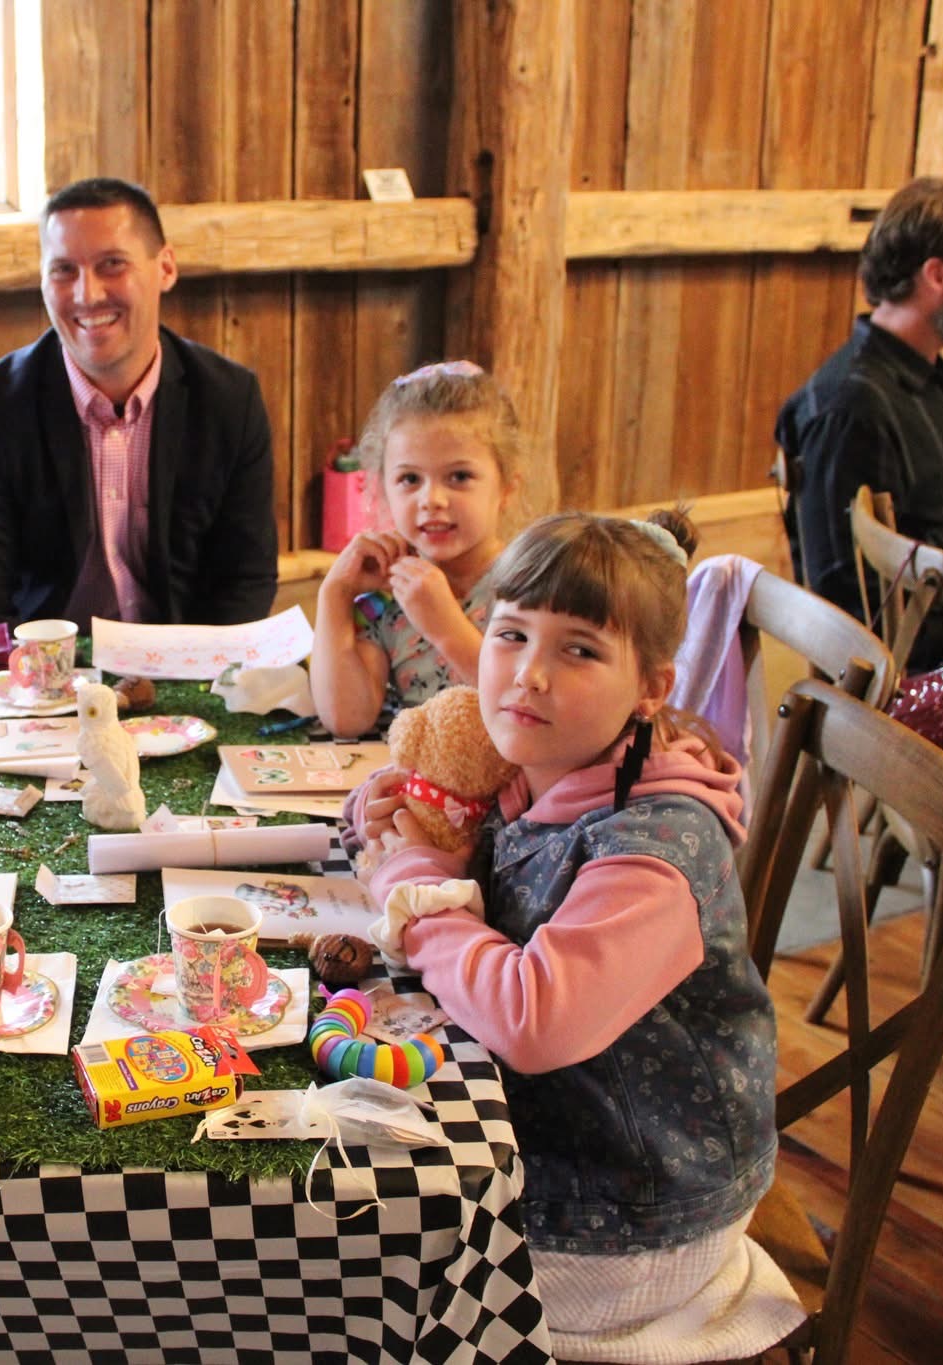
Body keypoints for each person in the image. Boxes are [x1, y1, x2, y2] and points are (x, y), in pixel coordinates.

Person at [346, 511, 804, 1363]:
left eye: (580, 650)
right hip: (558, 1143)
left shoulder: (659, 847)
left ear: (651, 687)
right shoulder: (550, 759)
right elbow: (462, 843)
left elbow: (533, 1018)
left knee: (344, 1261)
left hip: (629, 1215)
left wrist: (417, 889)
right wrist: (388, 817)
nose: (529, 674)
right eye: (511, 633)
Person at [0, 176, 278, 628]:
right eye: (63, 270)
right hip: (40, 666)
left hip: (185, 659)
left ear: (166, 269)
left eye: (112, 264)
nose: (88, 294)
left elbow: (245, 582)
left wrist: (196, 669)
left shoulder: (230, 401)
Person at [775, 177, 943, 671]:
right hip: (906, 680)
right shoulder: (851, 404)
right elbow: (845, 594)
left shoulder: (932, 373)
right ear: (937, 276)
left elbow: (934, 521)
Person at [310, 361, 525, 737]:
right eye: (410, 478)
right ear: (382, 490)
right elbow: (346, 718)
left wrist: (447, 629)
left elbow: (526, 701)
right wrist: (335, 594)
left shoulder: (531, 586)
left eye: (459, 476)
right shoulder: (389, 595)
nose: (432, 499)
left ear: (507, 488)